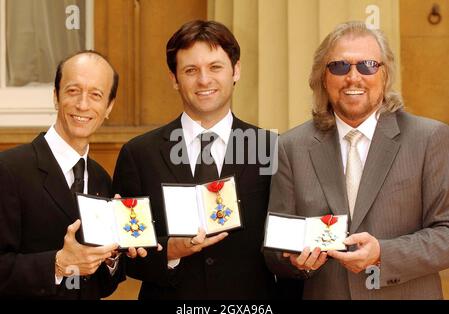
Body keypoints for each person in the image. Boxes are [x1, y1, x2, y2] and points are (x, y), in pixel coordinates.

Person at [264, 21, 449, 299]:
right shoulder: (290, 147)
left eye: (367, 66)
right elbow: (274, 250)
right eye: (339, 66)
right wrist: (293, 261)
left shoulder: (429, 138)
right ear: (322, 78)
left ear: (385, 76)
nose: (353, 77)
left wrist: (383, 255)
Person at [113, 20, 279, 299]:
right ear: (174, 79)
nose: (204, 80)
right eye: (191, 70)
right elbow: (125, 253)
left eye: (215, 67)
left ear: (235, 70)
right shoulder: (139, 154)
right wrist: (170, 251)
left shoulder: (270, 148)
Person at [0, 50, 144, 299]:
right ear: (56, 96)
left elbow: (102, 286)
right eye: (73, 91)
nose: (83, 105)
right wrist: (58, 265)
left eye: (96, 95)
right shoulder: (9, 169)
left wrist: (110, 256)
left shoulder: (101, 179)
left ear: (108, 106)